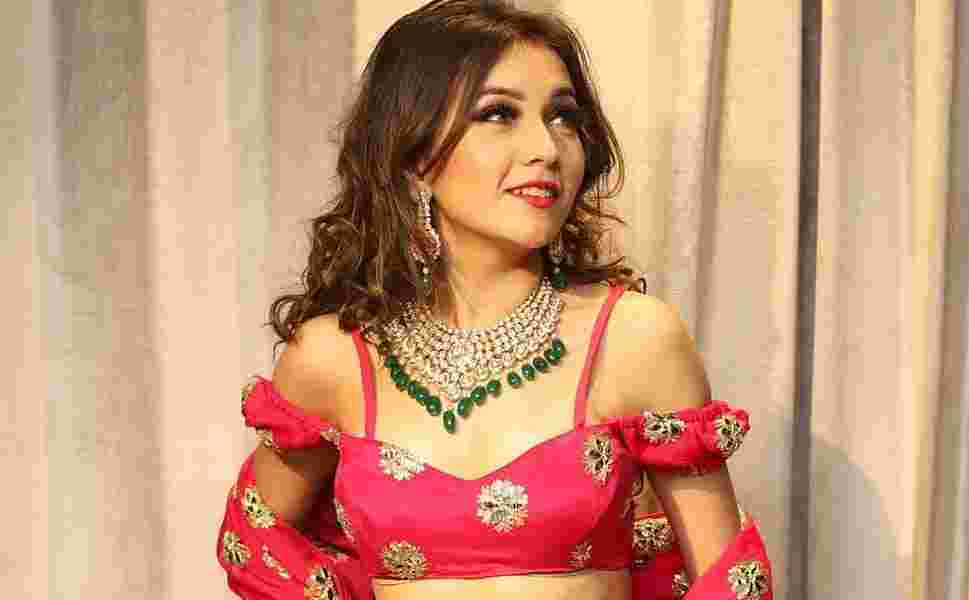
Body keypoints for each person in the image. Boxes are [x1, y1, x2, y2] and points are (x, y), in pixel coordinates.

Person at [215, 1, 772, 598]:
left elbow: (729, 582)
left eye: (563, 117)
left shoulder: (633, 338)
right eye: (499, 114)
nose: (547, 148)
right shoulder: (335, 356)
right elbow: (254, 545)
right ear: (415, 155)